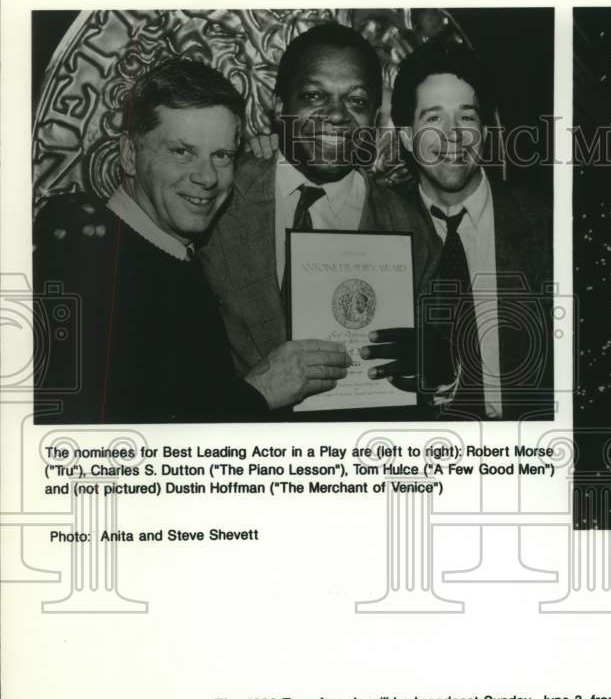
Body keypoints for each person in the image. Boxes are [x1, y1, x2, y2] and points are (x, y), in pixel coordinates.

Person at [33, 59, 350, 423]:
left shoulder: (176, 254)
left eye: (222, 155)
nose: (207, 177)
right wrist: (258, 391)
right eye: (182, 152)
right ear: (129, 155)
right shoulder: (84, 255)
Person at [198, 22, 427, 396]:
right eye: (313, 96)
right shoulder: (215, 199)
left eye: (356, 101)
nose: (336, 116)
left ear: (375, 117)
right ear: (278, 105)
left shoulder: (410, 228)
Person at [390, 40, 553, 420]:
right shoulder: (379, 224)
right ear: (405, 136)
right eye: (433, 119)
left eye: (466, 117)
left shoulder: (544, 222)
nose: (453, 135)